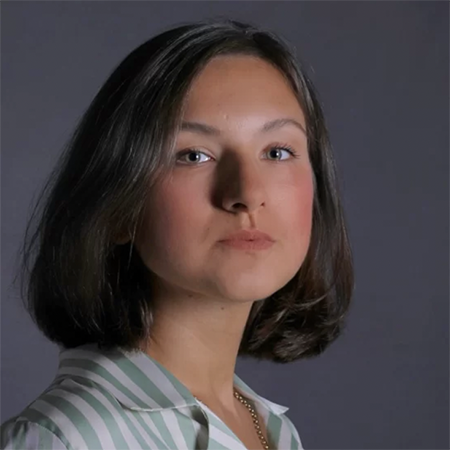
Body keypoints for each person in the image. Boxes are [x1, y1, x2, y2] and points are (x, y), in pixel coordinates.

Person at [0, 19, 353, 450]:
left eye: (278, 152)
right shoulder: (68, 439)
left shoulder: (273, 430)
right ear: (118, 206)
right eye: (194, 155)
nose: (246, 194)